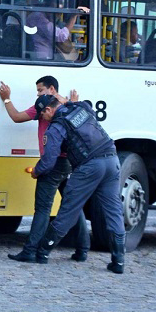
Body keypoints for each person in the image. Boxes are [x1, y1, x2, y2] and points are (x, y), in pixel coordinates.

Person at [31, 94, 126, 274]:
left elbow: (49, 161)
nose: (42, 118)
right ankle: (119, 261)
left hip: (88, 167)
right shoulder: (80, 108)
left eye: (42, 114)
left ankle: (43, 252)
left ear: (49, 110)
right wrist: (69, 101)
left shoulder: (57, 126)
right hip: (112, 161)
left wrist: (36, 172)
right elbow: (88, 109)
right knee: (114, 211)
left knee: (69, 210)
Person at [0, 76, 89, 263]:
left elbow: (16, 117)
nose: (38, 95)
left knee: (42, 209)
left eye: (40, 90)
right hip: (69, 162)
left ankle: (30, 251)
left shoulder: (43, 107)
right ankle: (83, 249)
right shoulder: (70, 105)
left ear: (51, 89)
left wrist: (7, 99)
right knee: (72, 205)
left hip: (52, 163)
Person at [25, 0, 89, 60]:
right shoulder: (38, 18)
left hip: (48, 55)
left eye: (60, 12)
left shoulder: (47, 18)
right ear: (48, 8)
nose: (58, 14)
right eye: (56, 10)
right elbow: (61, 36)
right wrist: (74, 16)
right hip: (41, 57)